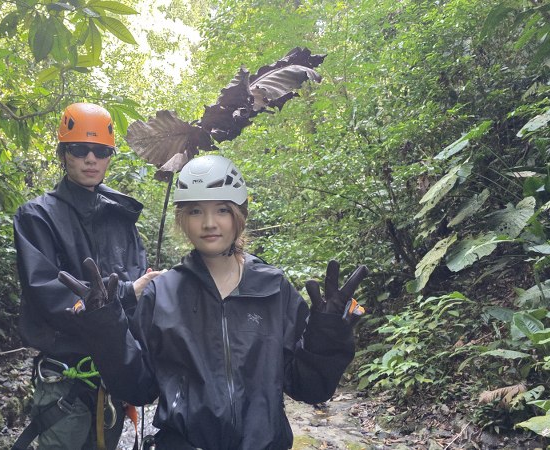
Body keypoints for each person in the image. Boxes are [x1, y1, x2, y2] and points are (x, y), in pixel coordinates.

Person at [59, 155, 369, 449]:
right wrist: (106, 329)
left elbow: (309, 387)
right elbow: (138, 389)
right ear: (183, 219)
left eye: (221, 209)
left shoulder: (274, 289)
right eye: (195, 210)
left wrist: (327, 336)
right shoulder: (163, 294)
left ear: (240, 215)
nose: (209, 222)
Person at [12, 102, 162, 450]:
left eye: (100, 151)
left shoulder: (120, 217)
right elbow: (45, 291)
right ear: (64, 154)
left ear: (110, 157)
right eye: (80, 150)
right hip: (65, 375)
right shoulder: (37, 216)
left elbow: (140, 287)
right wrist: (124, 294)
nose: (90, 159)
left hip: (116, 371)